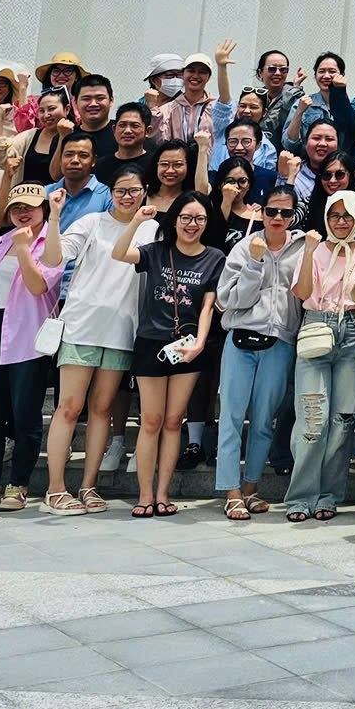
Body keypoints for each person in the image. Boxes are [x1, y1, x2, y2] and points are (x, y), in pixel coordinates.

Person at [41, 165, 146, 513]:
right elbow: (53, 258)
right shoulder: (91, 222)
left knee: (102, 410)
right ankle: (56, 488)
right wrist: (54, 217)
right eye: (120, 190)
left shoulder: (153, 228)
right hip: (81, 326)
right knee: (69, 407)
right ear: (110, 192)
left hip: (121, 330)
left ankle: (88, 486)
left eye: (133, 190)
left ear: (144, 191)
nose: (127, 196)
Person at [114, 190, 223, 517]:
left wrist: (200, 343)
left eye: (199, 218)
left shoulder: (215, 257)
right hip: (151, 342)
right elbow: (119, 254)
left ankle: (163, 493)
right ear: (174, 220)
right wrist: (137, 220)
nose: (192, 224)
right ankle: (144, 495)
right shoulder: (157, 251)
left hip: (188, 346)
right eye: (186, 217)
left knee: (174, 421)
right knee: (151, 421)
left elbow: (207, 307)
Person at [0, 184, 62, 513]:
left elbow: (38, 286)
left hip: (29, 333)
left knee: (25, 412)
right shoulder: (2, 241)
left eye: (30, 207)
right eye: (16, 207)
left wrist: (23, 249)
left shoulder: (50, 242)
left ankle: (19, 483)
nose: (22, 212)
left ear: (43, 209)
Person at [212, 187, 305, 520]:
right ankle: (231, 490)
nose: (278, 218)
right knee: (232, 417)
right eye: (271, 211)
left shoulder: (303, 248)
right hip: (241, 338)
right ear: (262, 212)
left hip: (280, 342)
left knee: (264, 420)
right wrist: (254, 262)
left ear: (294, 216)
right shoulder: (244, 246)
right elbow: (229, 298)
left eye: (285, 212)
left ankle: (250, 487)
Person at [284, 191, 355, 523]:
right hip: (317, 327)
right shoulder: (316, 249)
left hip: (353, 330)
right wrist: (308, 252)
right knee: (312, 419)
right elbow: (304, 292)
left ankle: (329, 494)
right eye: (335, 215)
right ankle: (300, 496)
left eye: (347, 216)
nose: (341, 222)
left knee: (343, 420)